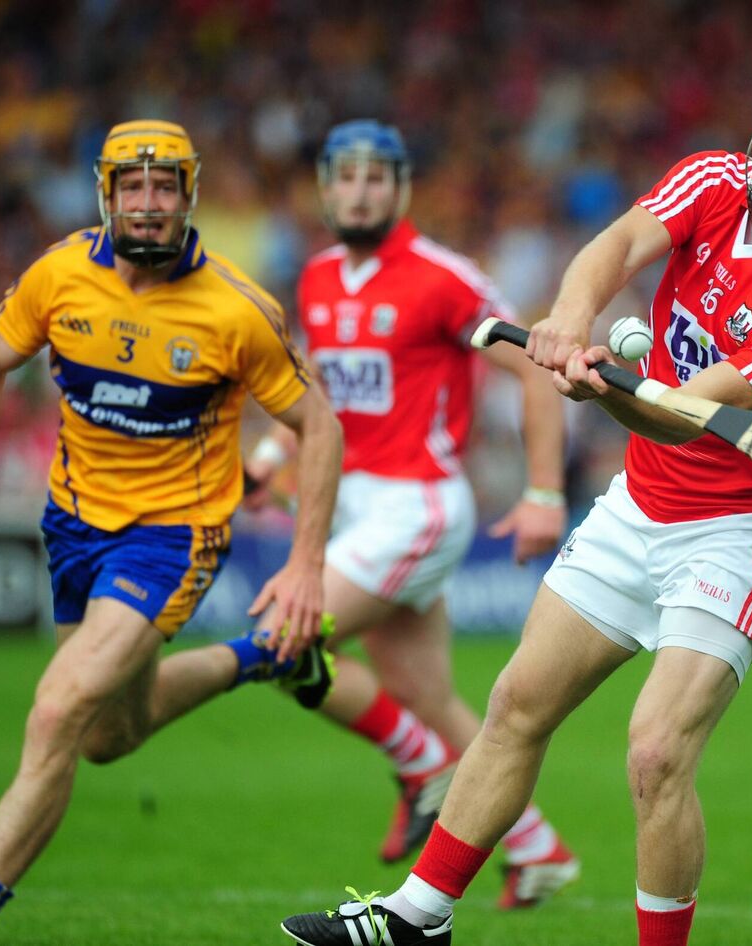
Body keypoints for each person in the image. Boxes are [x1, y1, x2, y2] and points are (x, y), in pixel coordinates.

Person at [280, 73, 752, 946]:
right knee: (516, 702)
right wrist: (569, 323)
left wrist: (605, 392)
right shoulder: (717, 179)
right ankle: (416, 919)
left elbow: (686, 420)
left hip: (734, 535)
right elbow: (613, 247)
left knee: (655, 754)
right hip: (637, 505)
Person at [0, 119, 343, 946]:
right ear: (106, 194)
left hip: (172, 536)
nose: (149, 205)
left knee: (58, 708)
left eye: (166, 187)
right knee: (107, 736)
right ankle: (268, 655)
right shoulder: (60, 274)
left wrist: (306, 563)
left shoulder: (238, 310)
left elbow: (318, 426)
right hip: (73, 524)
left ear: (191, 195)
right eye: (133, 188)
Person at [244, 119, 579, 906]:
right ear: (324, 189)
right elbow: (318, 395)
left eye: (375, 176)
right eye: (344, 177)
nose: (358, 190)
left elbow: (535, 365)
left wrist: (542, 493)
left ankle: (425, 768)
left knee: (278, 639)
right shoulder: (320, 275)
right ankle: (536, 847)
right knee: (428, 697)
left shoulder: (441, 277)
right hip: (357, 507)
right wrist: (268, 458)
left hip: (417, 506)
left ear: (400, 188)